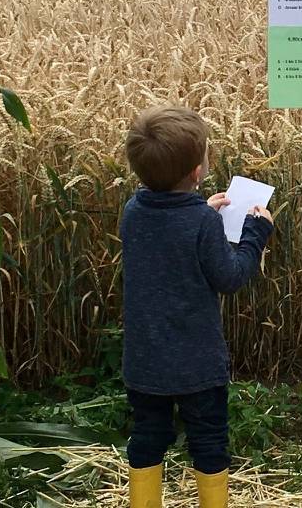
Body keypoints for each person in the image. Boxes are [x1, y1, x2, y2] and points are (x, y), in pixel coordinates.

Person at [118, 105, 275, 508]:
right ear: (196, 172)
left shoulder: (132, 212)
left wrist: (203, 210)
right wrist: (256, 234)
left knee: (147, 438)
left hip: (145, 361)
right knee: (208, 442)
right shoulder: (201, 222)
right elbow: (230, 277)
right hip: (197, 363)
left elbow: (168, 237)